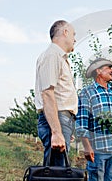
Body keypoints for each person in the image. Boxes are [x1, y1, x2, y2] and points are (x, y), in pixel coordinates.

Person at [34, 20, 78, 166]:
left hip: (61, 119)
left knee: (57, 170)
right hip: (57, 117)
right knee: (56, 171)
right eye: (73, 34)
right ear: (65, 32)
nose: (75, 39)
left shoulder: (58, 57)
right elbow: (47, 93)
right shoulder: (52, 55)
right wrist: (57, 132)